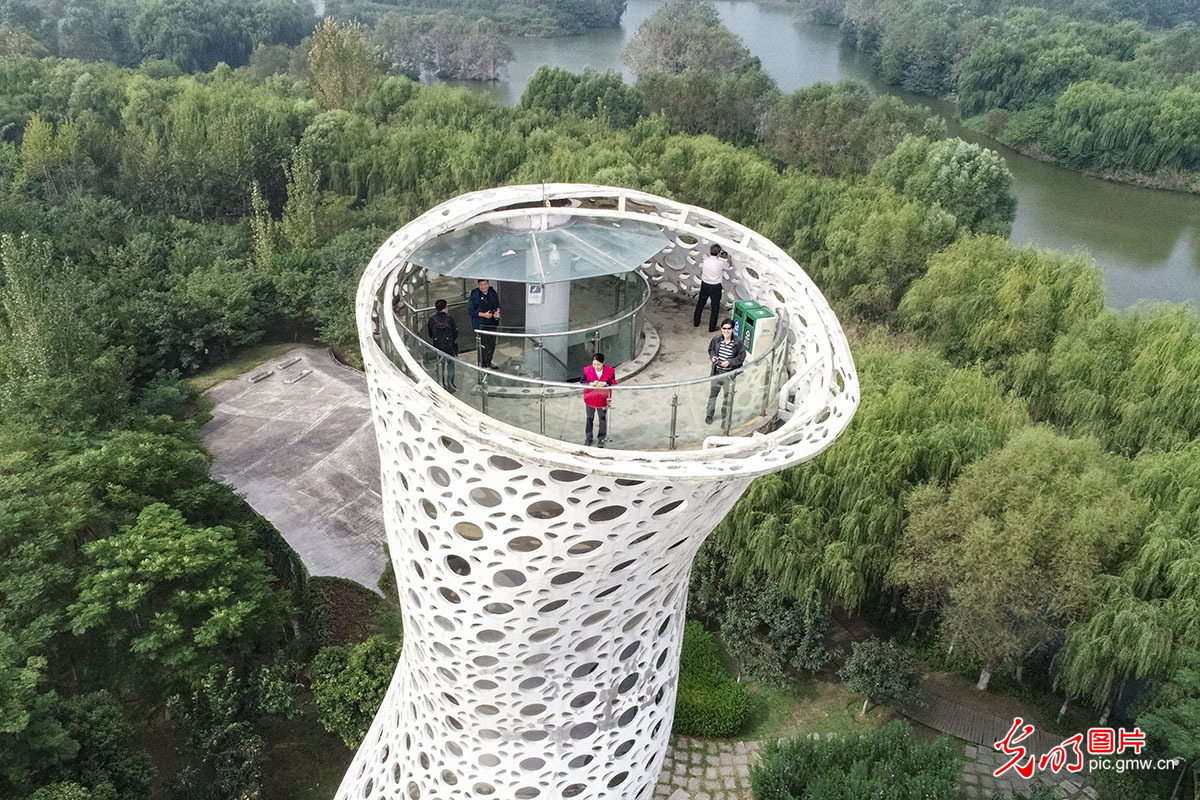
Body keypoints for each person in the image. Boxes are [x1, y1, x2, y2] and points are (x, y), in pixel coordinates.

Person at [706, 318, 746, 426]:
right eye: (724, 328)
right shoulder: (716, 340)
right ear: (721, 329)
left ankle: (725, 418)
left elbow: (742, 357)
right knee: (712, 396)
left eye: (729, 329)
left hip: (729, 376)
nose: (726, 331)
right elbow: (711, 350)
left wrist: (729, 362)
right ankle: (709, 415)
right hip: (717, 373)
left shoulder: (738, 342)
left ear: (732, 329)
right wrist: (713, 357)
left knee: (727, 398)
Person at [580, 352, 617, 447]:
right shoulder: (587, 370)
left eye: (598, 365)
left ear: (603, 363)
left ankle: (601, 438)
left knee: (602, 420)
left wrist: (605, 383)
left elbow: (613, 382)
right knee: (589, 419)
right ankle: (588, 438)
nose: (596, 367)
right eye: (594, 364)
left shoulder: (610, 371)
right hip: (590, 398)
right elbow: (582, 381)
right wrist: (590, 384)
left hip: (603, 399)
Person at [694, 244, 731, 333]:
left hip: (705, 284)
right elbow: (728, 265)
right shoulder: (721, 263)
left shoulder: (705, 260)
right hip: (715, 286)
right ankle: (712, 327)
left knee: (700, 304)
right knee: (715, 307)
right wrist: (729, 257)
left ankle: (696, 322)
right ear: (719, 253)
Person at [467, 278, 501, 369]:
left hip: (492, 322)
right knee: (483, 345)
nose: (484, 287)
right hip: (481, 324)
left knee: (491, 344)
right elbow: (471, 311)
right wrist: (484, 315)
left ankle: (489, 362)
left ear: (488, 284)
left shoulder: (492, 292)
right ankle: (483, 364)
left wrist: (497, 312)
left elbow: (497, 305)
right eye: (481, 285)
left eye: (485, 284)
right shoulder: (475, 294)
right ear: (479, 286)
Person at [426, 298, 458, 392]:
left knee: (440, 366)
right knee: (451, 365)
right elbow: (455, 333)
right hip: (449, 346)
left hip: (437, 346)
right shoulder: (450, 319)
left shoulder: (432, 320)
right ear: (445, 308)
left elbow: (430, 334)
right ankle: (451, 385)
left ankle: (441, 384)